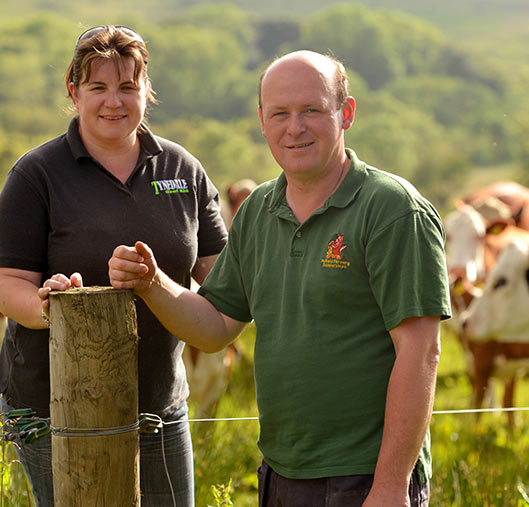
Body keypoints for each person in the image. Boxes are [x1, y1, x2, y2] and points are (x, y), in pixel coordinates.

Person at [109, 50, 451, 506]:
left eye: (312, 110)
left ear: (346, 113)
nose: (295, 127)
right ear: (262, 121)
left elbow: (421, 353)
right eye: (280, 114)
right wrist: (152, 282)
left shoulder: (392, 210)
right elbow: (214, 328)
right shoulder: (258, 210)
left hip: (366, 476)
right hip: (282, 470)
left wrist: (391, 485)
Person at [0, 25, 227, 506]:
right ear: (74, 92)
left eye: (127, 87)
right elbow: (8, 285)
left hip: (158, 401)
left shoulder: (182, 172)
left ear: (146, 92)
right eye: (98, 87)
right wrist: (50, 305)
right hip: (54, 402)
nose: (113, 102)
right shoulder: (36, 175)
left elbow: (222, 276)